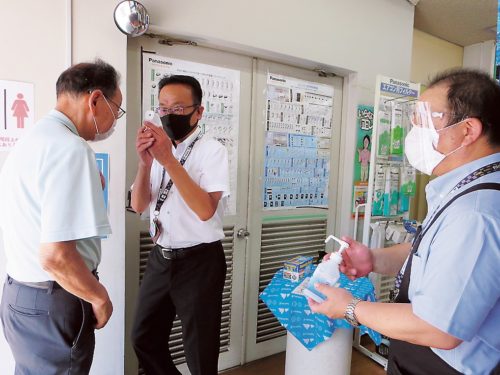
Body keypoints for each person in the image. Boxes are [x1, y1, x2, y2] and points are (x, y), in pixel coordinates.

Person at [308, 69, 500, 375]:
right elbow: (432, 254)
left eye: (425, 117)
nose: (414, 129)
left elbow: (439, 328)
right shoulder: (464, 187)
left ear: (467, 131)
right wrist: (373, 259)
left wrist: (349, 307)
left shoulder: (475, 213)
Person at [0, 59, 123, 374]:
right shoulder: (71, 148)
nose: (114, 121)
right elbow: (56, 256)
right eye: (116, 109)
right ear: (95, 100)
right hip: (55, 298)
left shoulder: (29, 142)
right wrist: (100, 298)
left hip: (19, 294)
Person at [130, 75, 229, 375]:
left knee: (200, 352)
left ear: (198, 112)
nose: (168, 115)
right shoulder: (159, 149)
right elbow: (138, 205)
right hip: (161, 258)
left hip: (200, 261)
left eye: (177, 108)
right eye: (162, 108)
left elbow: (205, 210)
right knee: (143, 338)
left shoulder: (212, 150)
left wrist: (168, 160)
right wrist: (146, 162)